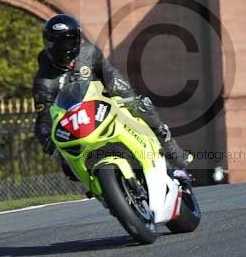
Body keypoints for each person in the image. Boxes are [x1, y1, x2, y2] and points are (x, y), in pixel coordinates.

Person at [33, 14, 191, 181]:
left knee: (140, 105)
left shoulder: (89, 53)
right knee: (65, 160)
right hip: (80, 123)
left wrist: (124, 94)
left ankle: (172, 151)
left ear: (77, 40)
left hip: (103, 105)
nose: (62, 48)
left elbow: (109, 74)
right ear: (47, 43)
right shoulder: (44, 81)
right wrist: (50, 144)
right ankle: (98, 186)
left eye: (68, 41)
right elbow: (43, 121)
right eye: (56, 43)